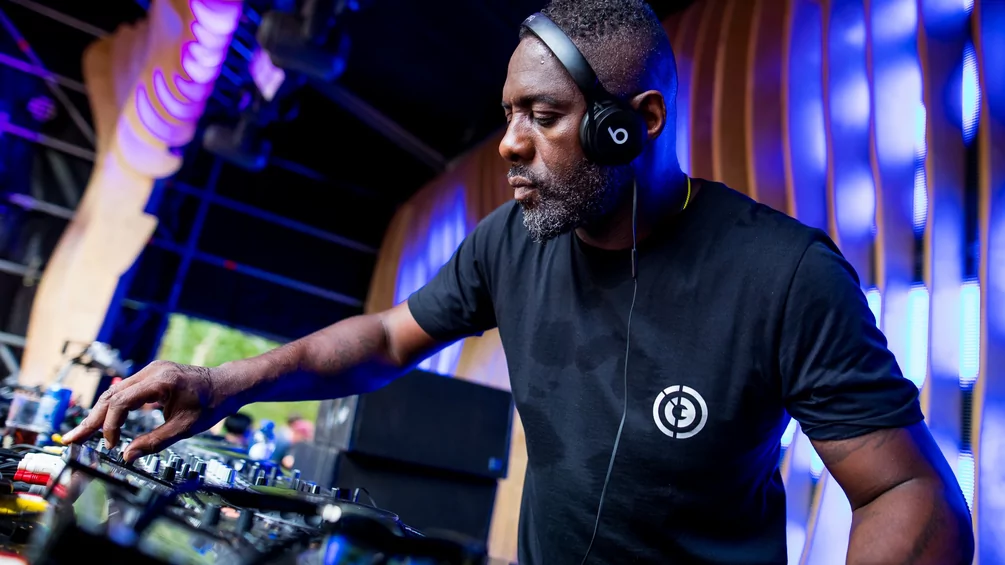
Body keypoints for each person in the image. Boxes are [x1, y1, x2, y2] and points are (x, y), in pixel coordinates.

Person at [63, 1, 974, 563]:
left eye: (542, 115)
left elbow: (909, 494)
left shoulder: (785, 275)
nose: (508, 143)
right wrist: (225, 383)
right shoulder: (509, 240)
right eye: (507, 115)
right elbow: (384, 340)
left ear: (634, 125)